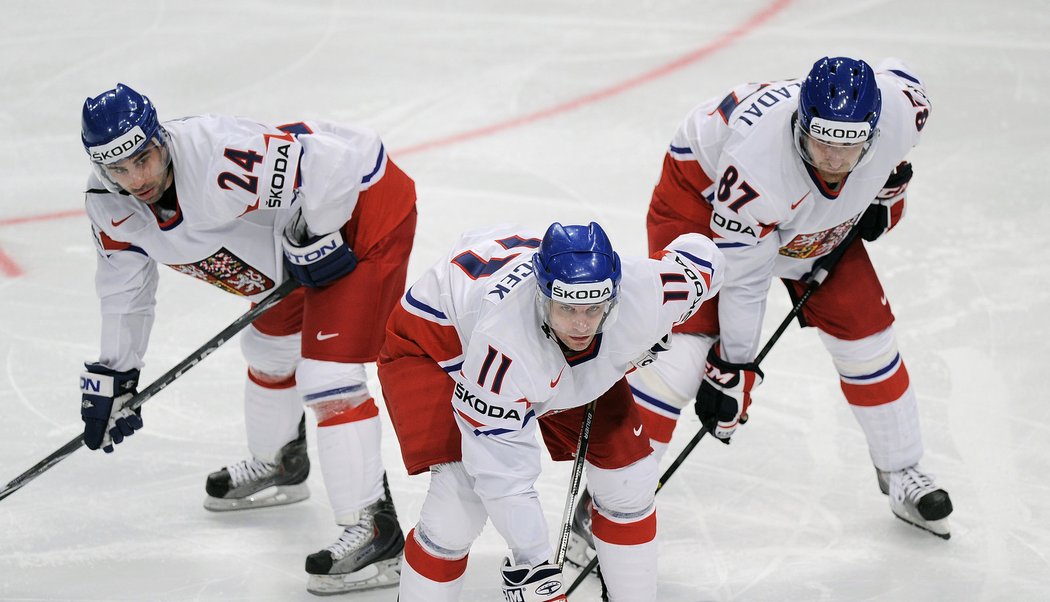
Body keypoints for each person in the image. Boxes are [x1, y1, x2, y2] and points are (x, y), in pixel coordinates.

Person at [565, 55, 953, 566]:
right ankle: (606, 505)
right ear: (801, 123)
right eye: (823, 143)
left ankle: (902, 469)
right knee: (681, 356)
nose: (836, 160)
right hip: (701, 200)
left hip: (795, 208)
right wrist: (734, 365)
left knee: (867, 335)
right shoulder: (758, 168)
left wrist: (888, 189)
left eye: (851, 145)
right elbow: (743, 283)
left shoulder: (900, 115)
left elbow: (902, 74)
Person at [76, 83, 416, 594]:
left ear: (160, 139)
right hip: (291, 243)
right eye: (117, 169)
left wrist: (315, 232)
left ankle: (377, 530)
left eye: (143, 159)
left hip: (360, 208)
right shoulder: (109, 205)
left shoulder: (216, 156)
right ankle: (282, 462)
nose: (135, 179)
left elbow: (335, 163)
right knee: (268, 349)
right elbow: (126, 292)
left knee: (329, 376)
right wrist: (116, 372)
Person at [376, 221, 724, 601]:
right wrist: (534, 567)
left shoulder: (647, 293)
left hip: (542, 351)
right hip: (440, 341)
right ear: (542, 297)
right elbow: (503, 477)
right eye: (567, 308)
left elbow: (702, 254)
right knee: (458, 505)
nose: (580, 324)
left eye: (594, 309)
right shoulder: (505, 348)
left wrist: (721, 358)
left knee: (630, 480)